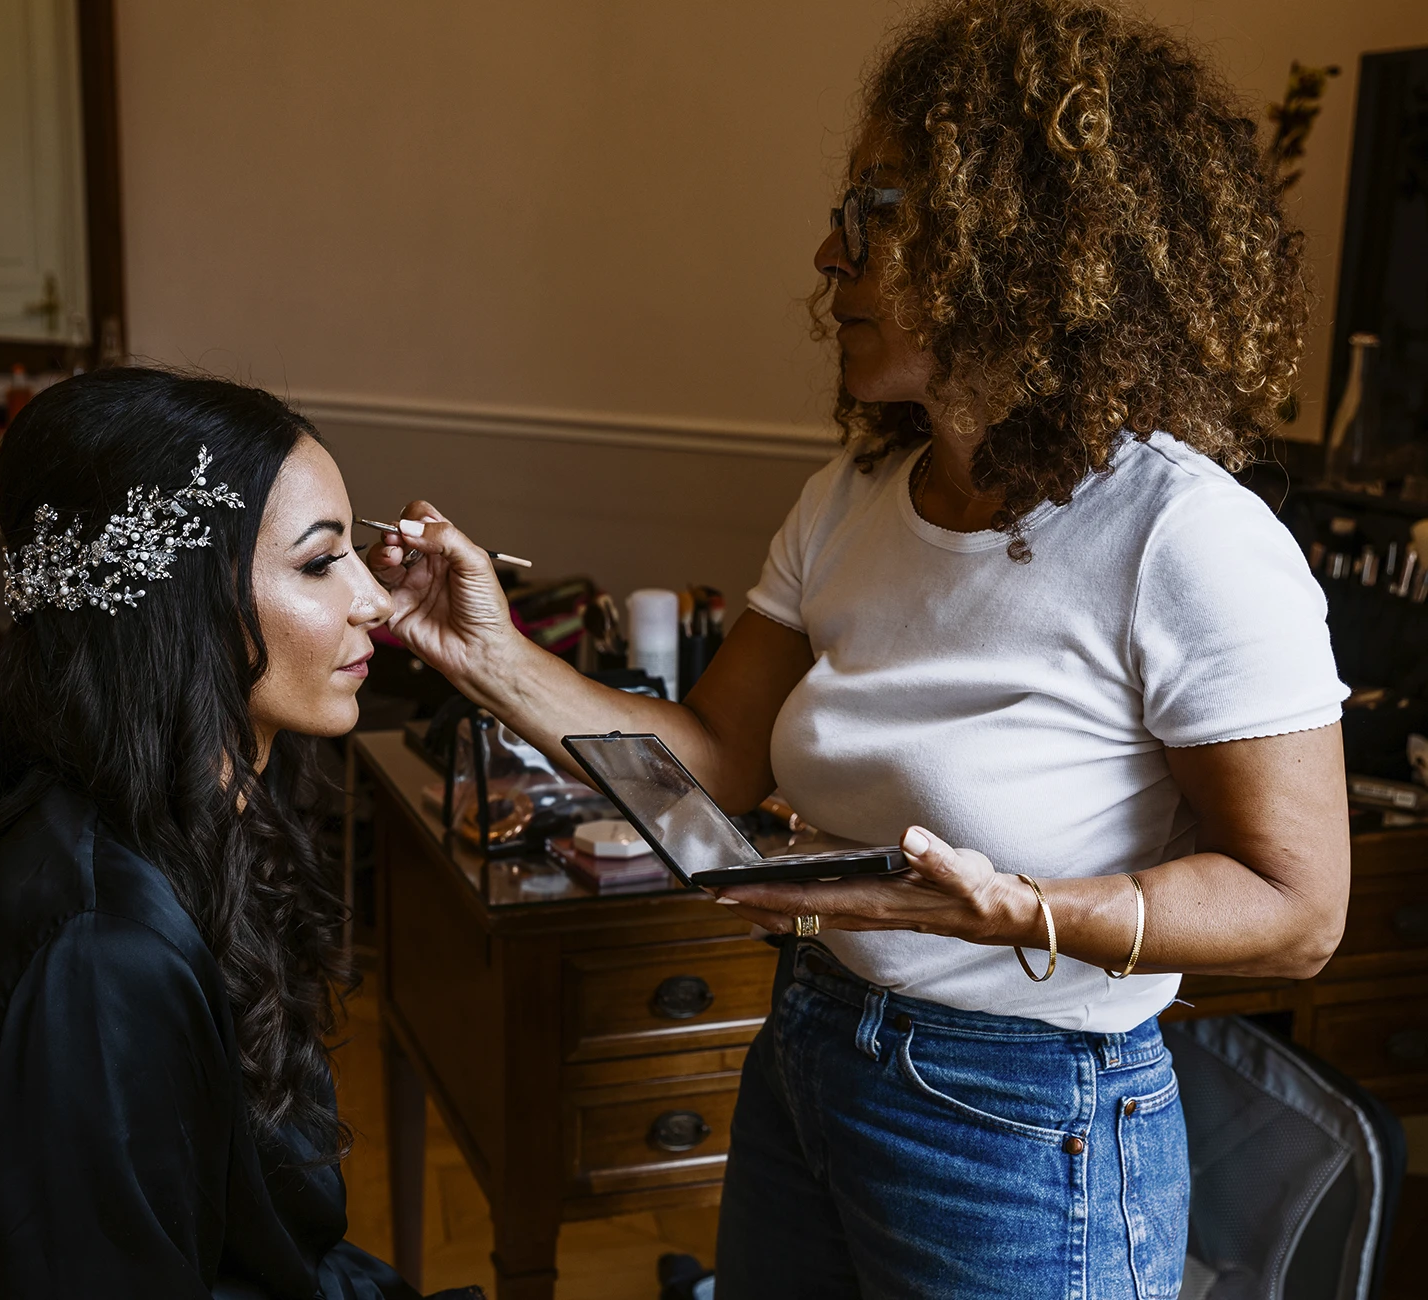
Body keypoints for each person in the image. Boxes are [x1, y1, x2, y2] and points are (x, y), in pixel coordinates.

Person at [368, 1, 1350, 1295]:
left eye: (880, 211)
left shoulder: (1182, 536)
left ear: (1031, 240)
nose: (831, 252)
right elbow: (710, 761)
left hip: (1024, 1121)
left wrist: (1034, 913)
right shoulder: (851, 496)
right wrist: (483, 650)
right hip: (815, 1046)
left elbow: (1300, 913)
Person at [0, 369, 480, 1300]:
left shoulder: (188, 812)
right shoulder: (100, 954)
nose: (377, 602)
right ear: (180, 602)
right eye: (320, 562)